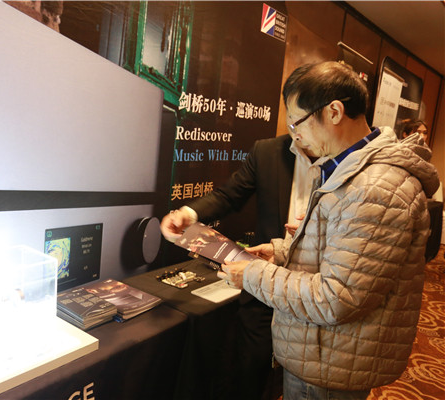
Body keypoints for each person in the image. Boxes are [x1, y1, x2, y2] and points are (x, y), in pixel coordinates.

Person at [218, 61, 440, 400]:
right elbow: (342, 250)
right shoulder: (351, 168)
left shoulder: (374, 187)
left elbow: (337, 297)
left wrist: (252, 274)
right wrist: (281, 251)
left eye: (297, 121)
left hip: (330, 361)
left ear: (334, 111)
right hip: (325, 351)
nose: (295, 134)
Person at [161, 127, 327, 397]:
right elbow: (229, 195)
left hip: (313, 290)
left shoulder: (343, 159)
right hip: (262, 282)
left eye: (300, 119)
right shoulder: (268, 151)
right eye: (291, 119)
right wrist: (188, 214)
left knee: (304, 382)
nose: (295, 127)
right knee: (249, 374)